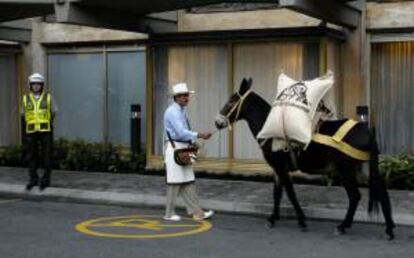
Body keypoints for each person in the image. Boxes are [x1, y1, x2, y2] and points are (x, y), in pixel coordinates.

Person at [163, 82, 214, 221]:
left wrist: (194, 140)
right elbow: (180, 133)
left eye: (187, 95)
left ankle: (196, 212)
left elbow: (183, 132)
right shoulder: (173, 111)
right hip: (175, 147)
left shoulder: (180, 110)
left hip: (183, 147)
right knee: (174, 182)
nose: (187, 98)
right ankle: (169, 213)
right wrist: (199, 135)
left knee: (189, 180)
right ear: (177, 97)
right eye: (184, 95)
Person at [22, 73, 57, 191]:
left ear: (42, 86)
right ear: (30, 86)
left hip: (45, 131)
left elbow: (53, 112)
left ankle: (46, 180)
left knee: (47, 156)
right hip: (31, 132)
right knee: (31, 156)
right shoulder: (26, 98)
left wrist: (47, 124)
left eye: (38, 84)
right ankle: (33, 179)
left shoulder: (48, 97)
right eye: (34, 84)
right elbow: (23, 115)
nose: (36, 86)